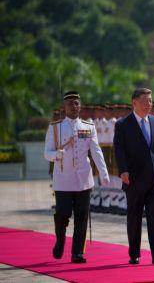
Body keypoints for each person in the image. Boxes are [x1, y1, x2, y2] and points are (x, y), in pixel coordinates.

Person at [44, 91, 110, 263]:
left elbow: (96, 151)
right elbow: (46, 153)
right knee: (62, 214)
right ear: (64, 107)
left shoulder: (88, 127)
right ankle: (60, 241)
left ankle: (77, 252)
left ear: (80, 106)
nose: (74, 106)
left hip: (83, 180)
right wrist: (55, 155)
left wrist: (104, 173)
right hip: (63, 180)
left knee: (82, 217)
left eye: (76, 103)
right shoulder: (55, 127)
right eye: (70, 103)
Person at [113, 88, 154, 265]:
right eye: (145, 101)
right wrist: (123, 170)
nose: (149, 104)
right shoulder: (123, 124)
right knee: (135, 217)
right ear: (134, 103)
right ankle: (134, 253)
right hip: (134, 179)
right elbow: (119, 150)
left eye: (151, 101)